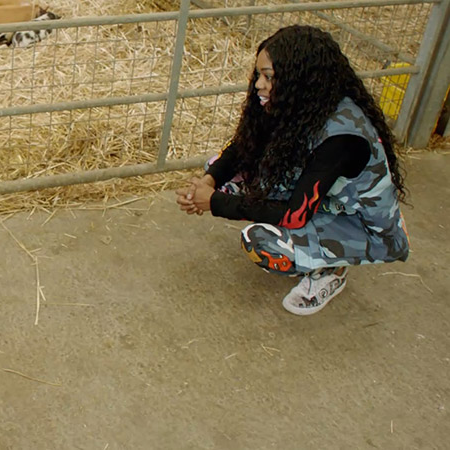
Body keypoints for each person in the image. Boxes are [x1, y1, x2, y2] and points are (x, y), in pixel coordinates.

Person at [175, 25, 410, 315]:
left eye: (269, 77)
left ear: (299, 79)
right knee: (222, 173)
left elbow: (294, 215)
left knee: (262, 244)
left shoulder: (343, 138)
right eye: (259, 74)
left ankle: (330, 271)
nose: (259, 84)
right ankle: (318, 249)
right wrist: (208, 181)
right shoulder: (301, 103)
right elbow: (243, 146)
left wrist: (213, 202)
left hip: (361, 225)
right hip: (325, 199)